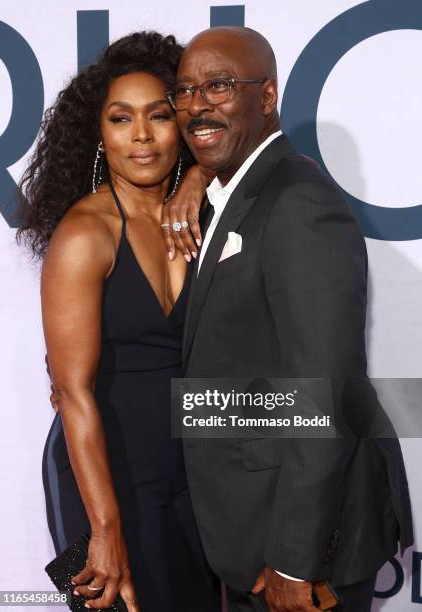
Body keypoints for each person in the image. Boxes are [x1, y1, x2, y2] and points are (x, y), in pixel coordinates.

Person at [162, 26, 414, 612]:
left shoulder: (299, 203)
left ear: (267, 97)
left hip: (299, 550)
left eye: (219, 85)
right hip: (250, 530)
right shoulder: (239, 192)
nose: (198, 104)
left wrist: (295, 558)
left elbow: (323, 394)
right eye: (185, 90)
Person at [16, 32, 220, 612]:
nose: (141, 136)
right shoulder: (86, 234)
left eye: (159, 115)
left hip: (189, 472)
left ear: (182, 121)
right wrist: (105, 532)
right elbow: (72, 393)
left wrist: (201, 176)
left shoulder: (208, 214)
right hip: (100, 480)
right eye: (120, 118)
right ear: (98, 134)